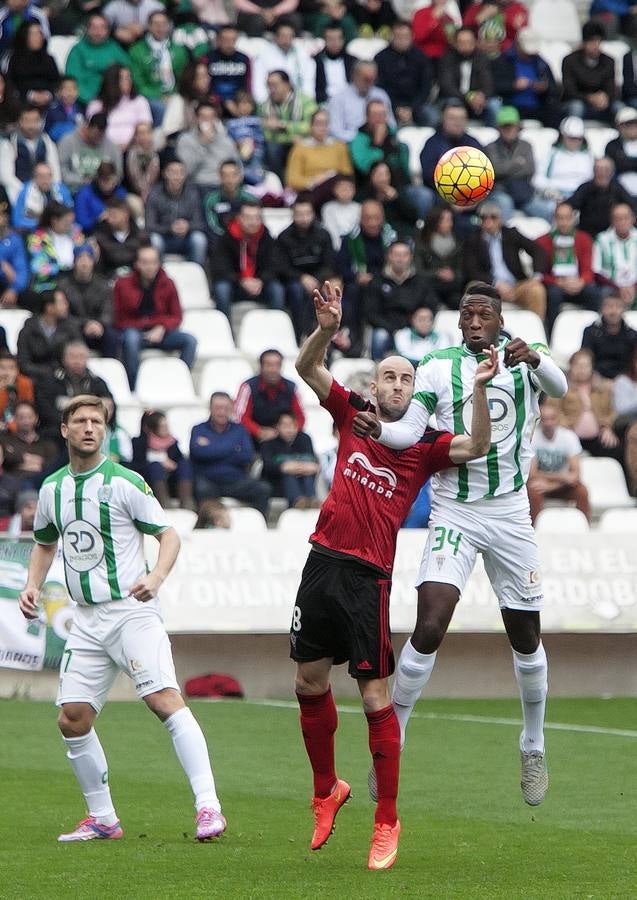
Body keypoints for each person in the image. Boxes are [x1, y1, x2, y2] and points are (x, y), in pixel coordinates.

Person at [291, 280, 496, 869]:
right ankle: (326, 790)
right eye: (389, 377)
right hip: (320, 562)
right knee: (307, 683)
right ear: (373, 386)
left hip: (368, 578)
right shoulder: (351, 414)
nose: (398, 385)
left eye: (407, 379)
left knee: (374, 695)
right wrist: (327, 331)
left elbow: (478, 444)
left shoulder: (426, 445)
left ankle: (387, 821)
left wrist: (479, 390)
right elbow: (309, 369)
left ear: (416, 391)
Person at [353, 281, 569, 808]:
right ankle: (393, 739)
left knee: (525, 635)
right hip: (455, 507)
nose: (475, 321)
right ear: (458, 321)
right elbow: (411, 431)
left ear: (499, 320)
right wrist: (380, 431)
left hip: (511, 511)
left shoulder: (524, 359)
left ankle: (533, 742)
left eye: (484, 314)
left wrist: (536, 356)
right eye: (467, 314)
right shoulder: (435, 366)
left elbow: (560, 387)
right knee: (429, 623)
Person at [18, 395, 226, 843]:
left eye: (97, 421)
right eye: (81, 420)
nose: (90, 427)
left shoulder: (126, 482)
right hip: (87, 620)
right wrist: (33, 583)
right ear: (65, 430)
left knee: (163, 700)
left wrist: (156, 575)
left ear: (106, 431)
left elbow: (168, 536)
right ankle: (103, 818)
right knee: (72, 718)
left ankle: (208, 806)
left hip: (132, 613)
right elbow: (44, 542)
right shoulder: (53, 489)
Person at [113, 244, 197, 389]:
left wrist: (162, 327)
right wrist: (145, 324)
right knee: (131, 339)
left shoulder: (168, 283)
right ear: (137, 264)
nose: (149, 267)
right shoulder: (123, 284)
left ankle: (180, 381)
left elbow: (177, 316)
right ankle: (133, 386)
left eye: (153, 262)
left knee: (190, 341)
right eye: (145, 262)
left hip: (161, 332)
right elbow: (118, 318)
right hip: (134, 330)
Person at [189, 391, 271, 515]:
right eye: (218, 408)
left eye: (226, 408)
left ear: (232, 409)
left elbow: (247, 456)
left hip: (236, 481)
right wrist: (233, 448)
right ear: (210, 409)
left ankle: (257, 526)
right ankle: (205, 528)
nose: (222, 412)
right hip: (208, 481)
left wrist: (212, 448)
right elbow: (197, 453)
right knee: (201, 489)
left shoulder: (240, 429)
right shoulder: (198, 429)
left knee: (263, 489)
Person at [463, 202, 548, 319]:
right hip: (490, 288)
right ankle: (481, 333)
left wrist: (536, 276)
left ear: (500, 219)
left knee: (536, 289)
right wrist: (495, 283)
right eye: (484, 218)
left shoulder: (511, 234)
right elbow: (471, 270)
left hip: (516, 286)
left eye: (493, 217)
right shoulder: (473, 239)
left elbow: (537, 250)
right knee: (473, 288)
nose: (488, 222)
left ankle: (537, 330)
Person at [211, 202, 285, 319]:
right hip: (235, 285)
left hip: (260, 285)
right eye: (248, 218)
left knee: (277, 289)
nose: (252, 222)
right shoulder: (226, 238)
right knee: (221, 288)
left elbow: (275, 265)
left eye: (256, 218)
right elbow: (220, 267)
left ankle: (278, 329)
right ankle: (225, 331)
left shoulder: (267, 238)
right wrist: (241, 281)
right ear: (239, 218)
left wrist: (261, 280)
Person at [537, 202, 601, 336]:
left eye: (567, 218)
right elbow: (541, 273)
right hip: (556, 285)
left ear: (573, 218)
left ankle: (595, 333)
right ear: (555, 219)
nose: (564, 222)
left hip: (578, 283)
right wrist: (557, 282)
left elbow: (588, 270)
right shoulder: (543, 241)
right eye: (560, 218)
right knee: (553, 294)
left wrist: (581, 281)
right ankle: (551, 335)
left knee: (594, 292)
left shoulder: (584, 239)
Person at [277, 196, 336, 340]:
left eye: (307, 214)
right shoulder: (284, 237)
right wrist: (301, 277)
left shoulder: (323, 235)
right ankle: (298, 335)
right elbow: (280, 266)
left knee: (327, 292)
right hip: (294, 279)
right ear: (293, 215)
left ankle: (327, 337)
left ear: (313, 214)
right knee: (296, 291)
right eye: (299, 214)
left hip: (320, 278)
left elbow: (330, 263)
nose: (303, 218)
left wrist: (317, 279)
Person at [365, 241, 435, 360]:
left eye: (404, 255)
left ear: (410, 257)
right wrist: (393, 329)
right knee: (379, 336)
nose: (400, 259)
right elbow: (371, 313)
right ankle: (377, 368)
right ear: (389, 256)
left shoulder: (420, 282)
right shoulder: (377, 281)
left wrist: (418, 323)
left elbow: (431, 305)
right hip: (387, 329)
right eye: (397, 254)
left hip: (414, 330)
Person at [527, 398, 591, 524]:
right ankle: (533, 530)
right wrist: (562, 477)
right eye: (545, 419)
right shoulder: (533, 438)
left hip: (561, 486)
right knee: (532, 491)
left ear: (557, 419)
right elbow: (532, 474)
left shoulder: (569, 437)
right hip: (542, 484)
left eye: (552, 418)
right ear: (539, 421)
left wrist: (552, 485)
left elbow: (575, 475)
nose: (548, 423)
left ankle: (585, 527)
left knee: (582, 492)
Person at [486, 106, 551, 223]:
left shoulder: (526, 145)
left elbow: (530, 169)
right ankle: (505, 238)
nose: (509, 129)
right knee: (505, 205)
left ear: (518, 126)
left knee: (547, 211)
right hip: (501, 191)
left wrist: (505, 169)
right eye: (505, 126)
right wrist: (517, 164)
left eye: (512, 126)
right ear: (499, 128)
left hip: (523, 193)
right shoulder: (491, 147)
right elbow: (493, 170)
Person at [35, 340, 112, 435]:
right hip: (58, 431)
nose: (77, 361)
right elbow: (45, 410)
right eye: (73, 357)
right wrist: (72, 424)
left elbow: (109, 405)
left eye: (81, 357)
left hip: (90, 430)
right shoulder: (51, 381)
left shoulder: (96, 382)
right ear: (64, 359)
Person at [419, 102, 483, 210]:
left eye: (461, 119)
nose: (457, 123)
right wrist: (452, 199)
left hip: (473, 196)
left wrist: (472, 198)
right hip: (440, 196)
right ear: (443, 120)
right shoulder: (432, 144)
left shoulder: (473, 144)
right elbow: (429, 176)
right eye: (452, 118)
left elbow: (485, 173)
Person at [129, 10, 189, 124]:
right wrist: (159, 96)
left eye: (163, 24)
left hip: (174, 94)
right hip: (149, 95)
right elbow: (138, 82)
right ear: (149, 26)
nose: (160, 28)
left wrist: (174, 94)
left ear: (169, 26)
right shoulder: (137, 50)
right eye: (156, 24)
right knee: (162, 109)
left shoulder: (179, 50)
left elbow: (184, 78)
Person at [58, 246, 119, 358]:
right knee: (66, 331)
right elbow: (63, 314)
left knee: (112, 335)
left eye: (88, 259)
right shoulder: (63, 286)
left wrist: (99, 324)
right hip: (75, 328)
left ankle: (110, 366)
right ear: (74, 261)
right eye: (80, 258)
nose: (84, 263)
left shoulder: (103, 285)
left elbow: (108, 311)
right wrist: (85, 324)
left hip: (98, 329)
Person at [235, 349, 306, 446]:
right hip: (254, 440)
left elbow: (300, 417)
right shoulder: (248, 387)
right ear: (261, 367)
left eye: (277, 365)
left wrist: (288, 431)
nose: (273, 369)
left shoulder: (291, 387)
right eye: (269, 365)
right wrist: (260, 432)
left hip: (285, 439)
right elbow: (240, 418)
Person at [145, 159, 207, 267]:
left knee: (199, 239)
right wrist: (170, 228)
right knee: (154, 240)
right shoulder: (154, 193)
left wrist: (188, 226)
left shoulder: (193, 193)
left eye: (180, 172)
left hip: (187, 237)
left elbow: (200, 223)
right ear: (164, 174)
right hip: (164, 237)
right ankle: (158, 274)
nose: (177, 176)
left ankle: (196, 274)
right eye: (173, 172)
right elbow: (149, 225)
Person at [374, 20, 435, 127]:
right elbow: (380, 86)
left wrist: (412, 108)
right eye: (398, 37)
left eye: (405, 37)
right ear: (391, 36)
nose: (402, 40)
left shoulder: (421, 58)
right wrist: (397, 107)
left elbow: (426, 87)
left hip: (417, 104)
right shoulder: (381, 58)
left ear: (412, 37)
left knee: (433, 118)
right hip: (388, 103)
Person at [258, 70, 316, 180]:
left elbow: (311, 126)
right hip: (278, 146)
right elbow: (266, 134)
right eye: (269, 85)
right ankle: (280, 187)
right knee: (271, 148)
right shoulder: (264, 106)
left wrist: (284, 126)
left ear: (287, 84)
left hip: (303, 142)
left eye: (275, 85)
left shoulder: (305, 101)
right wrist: (290, 135)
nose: (271, 89)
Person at [285, 109, 353, 201]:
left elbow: (347, 174)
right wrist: (314, 181)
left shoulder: (339, 147)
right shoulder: (300, 148)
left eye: (325, 123)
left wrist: (329, 177)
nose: (322, 127)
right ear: (311, 126)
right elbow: (292, 180)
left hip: (335, 193)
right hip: (311, 193)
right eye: (318, 123)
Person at [65, 13, 131, 106]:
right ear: (87, 29)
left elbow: (127, 73)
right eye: (94, 27)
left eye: (102, 28)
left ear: (107, 31)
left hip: (114, 100)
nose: (98, 32)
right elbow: (73, 80)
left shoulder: (114, 48)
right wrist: (90, 100)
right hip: (85, 101)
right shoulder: (78, 50)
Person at [132, 410, 193, 509]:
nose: (167, 429)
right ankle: (164, 504)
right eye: (163, 426)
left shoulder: (172, 442)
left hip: (172, 481)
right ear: (153, 428)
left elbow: (179, 459)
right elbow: (138, 464)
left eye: (167, 425)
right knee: (155, 467)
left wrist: (172, 465)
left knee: (185, 464)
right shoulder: (140, 443)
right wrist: (161, 462)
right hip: (150, 481)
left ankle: (187, 503)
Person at [0, 105, 61, 205]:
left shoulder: (46, 141)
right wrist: (27, 192)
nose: (31, 125)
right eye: (27, 121)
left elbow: (55, 171)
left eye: (35, 121)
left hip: (44, 189)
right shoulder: (9, 143)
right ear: (19, 121)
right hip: (18, 190)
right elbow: (6, 177)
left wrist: (49, 187)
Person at [533, 117, 594, 215]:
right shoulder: (550, 153)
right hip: (555, 196)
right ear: (563, 136)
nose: (574, 142)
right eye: (571, 138)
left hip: (581, 196)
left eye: (578, 139)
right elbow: (537, 178)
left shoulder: (589, 156)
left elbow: (592, 179)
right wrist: (550, 190)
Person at [16, 289, 80, 384]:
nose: (66, 305)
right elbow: (24, 363)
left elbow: (77, 351)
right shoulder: (28, 330)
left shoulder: (70, 328)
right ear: (49, 307)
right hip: (35, 379)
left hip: (64, 379)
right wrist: (49, 372)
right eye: (62, 302)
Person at [176, 101, 239, 194]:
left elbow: (237, 166)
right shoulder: (185, 140)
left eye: (211, 117)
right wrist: (203, 145)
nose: (207, 121)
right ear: (196, 119)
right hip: (196, 186)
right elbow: (186, 171)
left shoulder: (226, 141)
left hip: (221, 186)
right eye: (203, 117)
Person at [260, 411, 320, 507]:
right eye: (285, 425)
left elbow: (313, 464)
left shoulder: (305, 439)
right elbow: (267, 466)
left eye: (292, 425)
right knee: (288, 475)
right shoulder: (268, 444)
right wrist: (282, 467)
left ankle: (312, 500)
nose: (289, 429)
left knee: (307, 475)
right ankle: (297, 501)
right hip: (277, 484)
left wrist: (297, 467)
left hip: (303, 480)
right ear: (277, 427)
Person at [86, 64, 152, 151]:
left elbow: (145, 129)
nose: (128, 81)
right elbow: (94, 132)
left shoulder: (139, 101)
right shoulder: (96, 105)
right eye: (123, 79)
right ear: (112, 81)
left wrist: (129, 145)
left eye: (129, 77)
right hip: (104, 150)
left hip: (133, 150)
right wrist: (113, 148)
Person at [562, 20, 618, 122]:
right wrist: (590, 98)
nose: (596, 45)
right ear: (584, 43)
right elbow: (569, 90)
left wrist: (605, 97)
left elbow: (611, 88)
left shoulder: (608, 61)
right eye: (592, 41)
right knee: (576, 107)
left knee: (620, 108)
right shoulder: (570, 60)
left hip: (601, 104)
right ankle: (574, 136)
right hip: (578, 102)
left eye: (598, 41)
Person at [250, 18, 316, 106]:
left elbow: (308, 82)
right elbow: (258, 84)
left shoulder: (303, 54)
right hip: (272, 102)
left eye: (290, 36)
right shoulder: (263, 55)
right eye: (283, 36)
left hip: (298, 102)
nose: (286, 39)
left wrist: (307, 102)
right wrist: (264, 104)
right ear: (276, 37)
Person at [438, 27, 495, 125]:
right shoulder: (446, 59)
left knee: (494, 105)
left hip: (478, 99)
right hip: (456, 97)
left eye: (469, 42)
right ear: (455, 43)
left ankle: (494, 136)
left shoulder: (482, 58)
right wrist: (468, 97)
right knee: (453, 104)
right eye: (462, 43)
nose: (466, 46)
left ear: (475, 42)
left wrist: (482, 96)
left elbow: (488, 82)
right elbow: (447, 86)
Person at [328, 61, 395, 144]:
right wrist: (362, 139)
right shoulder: (338, 99)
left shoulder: (381, 95)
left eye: (373, 79)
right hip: (350, 145)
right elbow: (335, 131)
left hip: (381, 143)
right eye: (366, 79)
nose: (370, 83)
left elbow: (392, 125)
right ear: (354, 76)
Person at [567, 156, 634, 239]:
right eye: (598, 169)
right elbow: (569, 206)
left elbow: (633, 206)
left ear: (612, 172)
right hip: (588, 235)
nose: (602, 173)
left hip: (611, 237)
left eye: (606, 169)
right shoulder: (585, 188)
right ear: (594, 171)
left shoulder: (617, 188)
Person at [27, 201, 86, 293]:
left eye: (71, 221)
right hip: (49, 286)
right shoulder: (38, 239)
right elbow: (37, 267)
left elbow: (85, 256)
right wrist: (62, 268)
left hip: (74, 283)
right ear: (54, 221)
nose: (70, 225)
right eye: (66, 222)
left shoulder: (75, 234)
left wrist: (83, 246)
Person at [58, 113, 123, 194]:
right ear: (88, 128)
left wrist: (107, 182)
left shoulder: (111, 146)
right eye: (96, 135)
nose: (98, 139)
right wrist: (82, 181)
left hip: (105, 190)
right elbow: (62, 171)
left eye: (101, 135)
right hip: (75, 189)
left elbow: (118, 173)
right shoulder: (68, 141)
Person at [0, 399, 58, 486]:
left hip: (42, 484)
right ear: (15, 419)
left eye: (29, 417)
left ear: (36, 418)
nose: (26, 421)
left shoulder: (47, 444)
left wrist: (20, 463)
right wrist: (24, 458)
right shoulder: (5, 440)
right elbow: (6, 460)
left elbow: (52, 467)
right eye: (21, 417)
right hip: (13, 485)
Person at [415, 206, 463, 309]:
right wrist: (437, 273)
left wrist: (453, 274)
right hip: (430, 286)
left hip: (452, 287)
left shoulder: (458, 243)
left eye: (451, 220)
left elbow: (462, 270)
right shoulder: (422, 243)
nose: (450, 224)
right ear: (435, 221)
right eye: (446, 220)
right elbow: (418, 270)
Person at [581, 293, 637, 380]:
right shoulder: (590, 332)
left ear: (623, 310)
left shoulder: (632, 335)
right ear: (602, 309)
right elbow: (585, 358)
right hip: (596, 380)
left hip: (626, 380)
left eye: (618, 306)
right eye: (609, 306)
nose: (613, 311)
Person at [5, 21, 59, 110]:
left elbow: (56, 82)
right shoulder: (14, 59)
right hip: (23, 102)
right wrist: (30, 95)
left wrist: (48, 94)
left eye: (40, 33)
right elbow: (11, 83)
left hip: (48, 102)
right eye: (33, 34)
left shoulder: (49, 59)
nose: (38, 37)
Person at [593, 203, 637, 309]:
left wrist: (633, 287)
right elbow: (596, 271)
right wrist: (618, 288)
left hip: (635, 286)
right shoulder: (601, 239)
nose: (622, 222)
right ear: (612, 221)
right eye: (618, 219)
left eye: (625, 218)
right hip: (611, 287)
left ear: (633, 219)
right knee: (602, 293)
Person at [12, 161, 73, 234]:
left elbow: (70, 214)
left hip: (60, 231)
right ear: (34, 178)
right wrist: (41, 223)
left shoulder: (61, 190)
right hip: (33, 232)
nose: (46, 180)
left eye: (49, 176)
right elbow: (17, 221)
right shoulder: (25, 192)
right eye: (42, 176)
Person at [203, 159, 254, 243]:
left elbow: (254, 224)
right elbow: (211, 226)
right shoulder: (211, 199)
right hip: (219, 241)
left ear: (240, 177)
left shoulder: (250, 200)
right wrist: (228, 237)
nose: (230, 180)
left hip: (245, 240)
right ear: (220, 177)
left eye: (233, 175)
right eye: (225, 175)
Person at [94, 198, 146, 277]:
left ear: (125, 214)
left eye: (113, 215)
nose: (109, 219)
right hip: (109, 279)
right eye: (108, 215)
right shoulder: (101, 237)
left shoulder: (140, 236)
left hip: (136, 280)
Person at [207, 25, 251, 117]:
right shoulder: (208, 59)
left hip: (239, 105)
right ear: (218, 40)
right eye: (225, 40)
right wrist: (222, 101)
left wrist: (243, 104)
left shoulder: (243, 59)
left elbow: (248, 85)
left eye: (232, 40)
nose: (229, 43)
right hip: (214, 104)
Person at [74, 161, 129, 235]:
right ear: (98, 179)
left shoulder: (120, 192)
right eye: (103, 179)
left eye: (109, 179)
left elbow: (126, 217)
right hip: (93, 233)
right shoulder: (84, 194)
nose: (107, 183)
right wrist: (99, 219)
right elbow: (81, 223)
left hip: (118, 232)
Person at [313, 23, 356, 105]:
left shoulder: (353, 62)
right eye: (330, 39)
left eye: (337, 39)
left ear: (343, 40)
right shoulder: (315, 62)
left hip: (349, 102)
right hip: (325, 103)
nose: (334, 42)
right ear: (324, 40)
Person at [0, 198, 29, 306]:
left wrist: (14, 289)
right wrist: (2, 265)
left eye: (3, 215)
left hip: (6, 285)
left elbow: (21, 270)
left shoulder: (14, 239)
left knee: (29, 296)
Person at [321, 175, 361, 250]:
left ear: (354, 190)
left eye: (349, 188)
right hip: (334, 247)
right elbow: (330, 230)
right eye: (342, 188)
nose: (345, 191)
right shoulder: (328, 208)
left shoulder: (359, 208)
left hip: (355, 246)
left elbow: (358, 229)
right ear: (334, 190)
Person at [0, 351, 34, 430]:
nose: (7, 372)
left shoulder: (25, 383)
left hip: (20, 426)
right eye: (2, 368)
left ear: (17, 370)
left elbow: (27, 408)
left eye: (11, 368)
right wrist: (3, 390)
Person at [44, 76, 83, 144]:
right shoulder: (52, 110)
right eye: (67, 89)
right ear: (58, 92)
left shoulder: (80, 109)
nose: (70, 92)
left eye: (74, 88)